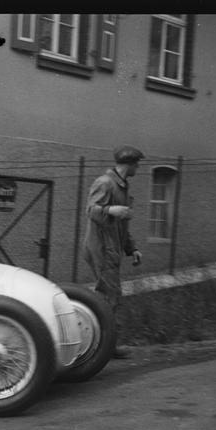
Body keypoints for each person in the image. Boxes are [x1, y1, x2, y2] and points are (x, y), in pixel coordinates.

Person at [82, 145, 145, 359]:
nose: (138, 167)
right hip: (101, 248)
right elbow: (91, 210)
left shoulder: (122, 187)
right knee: (110, 297)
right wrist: (110, 210)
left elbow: (121, 225)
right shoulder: (105, 183)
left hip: (112, 249)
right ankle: (104, 348)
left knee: (107, 296)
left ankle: (99, 345)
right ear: (129, 163)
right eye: (137, 163)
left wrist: (132, 248)